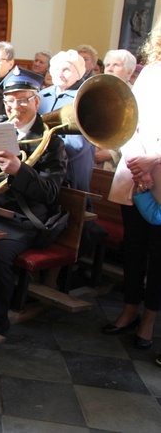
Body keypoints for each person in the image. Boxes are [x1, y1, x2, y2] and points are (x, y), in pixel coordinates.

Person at [0, 66, 67, 335]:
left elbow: (51, 193)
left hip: (22, 218)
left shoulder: (51, 140)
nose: (14, 108)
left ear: (36, 101)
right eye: (9, 102)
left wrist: (21, 171)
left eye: (22, 101)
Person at [105, 19, 161, 355]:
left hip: (158, 171)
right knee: (135, 249)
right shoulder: (150, 73)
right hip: (135, 170)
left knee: (159, 255)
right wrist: (139, 164)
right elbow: (129, 122)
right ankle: (128, 309)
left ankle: (150, 318)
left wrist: (154, 159)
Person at [38, 49, 93, 192]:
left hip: (70, 168)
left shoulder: (85, 98)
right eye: (56, 69)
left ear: (79, 73)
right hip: (43, 165)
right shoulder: (41, 95)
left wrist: (46, 157)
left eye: (67, 69)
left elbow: (78, 144)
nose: (60, 73)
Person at [95, 49, 137, 171]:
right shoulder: (94, 91)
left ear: (129, 71)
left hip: (115, 163)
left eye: (116, 65)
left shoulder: (136, 95)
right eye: (107, 65)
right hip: (90, 156)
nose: (110, 68)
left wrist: (112, 153)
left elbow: (135, 131)